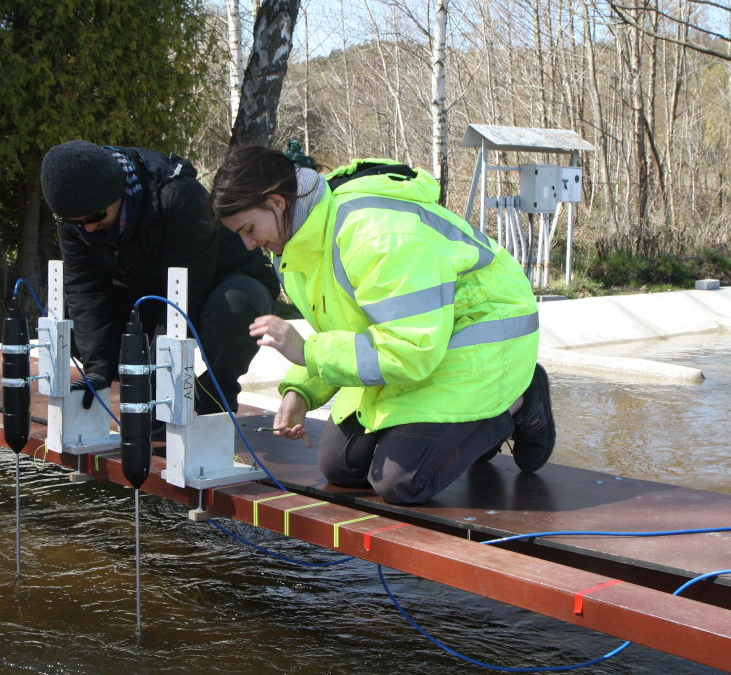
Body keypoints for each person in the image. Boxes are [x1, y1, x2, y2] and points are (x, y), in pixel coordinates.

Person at [210, 145, 553, 506]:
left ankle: (519, 399)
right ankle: (465, 429)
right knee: (341, 466)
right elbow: (344, 330)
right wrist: (302, 391)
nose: (249, 245)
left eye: (249, 229)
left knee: (400, 482)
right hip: (429, 342)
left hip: (483, 337)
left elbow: (410, 349)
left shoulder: (374, 234)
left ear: (277, 202)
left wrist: (308, 352)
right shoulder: (294, 250)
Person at [40, 140, 279, 416]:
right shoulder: (77, 220)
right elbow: (85, 289)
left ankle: (214, 396)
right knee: (75, 319)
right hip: (151, 288)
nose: (90, 227)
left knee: (232, 307)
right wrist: (98, 369)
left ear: (117, 192)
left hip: (222, 280)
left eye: (96, 216)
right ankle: (144, 390)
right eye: (78, 222)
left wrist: (156, 386)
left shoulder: (177, 196)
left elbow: (183, 298)